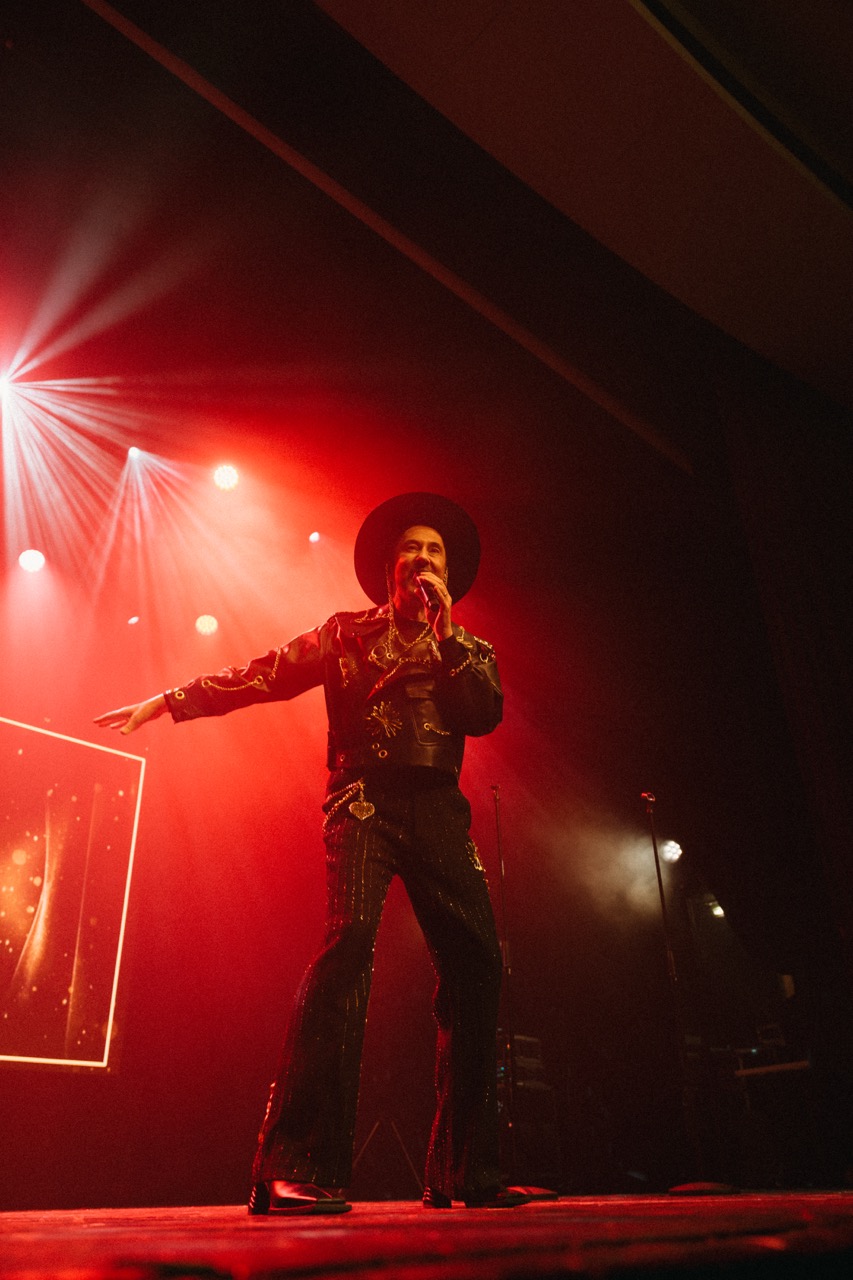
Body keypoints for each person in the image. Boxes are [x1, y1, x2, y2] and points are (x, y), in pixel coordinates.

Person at [96, 492, 528, 1214]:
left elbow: (482, 716)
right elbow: (265, 672)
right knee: (348, 943)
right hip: (362, 801)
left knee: (478, 961)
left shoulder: (468, 649)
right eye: (412, 548)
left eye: (435, 552)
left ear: (447, 574)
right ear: (390, 567)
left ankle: (466, 1170)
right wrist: (174, 699)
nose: (423, 559)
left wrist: (448, 635)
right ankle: (292, 1166)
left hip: (437, 809)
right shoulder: (344, 634)